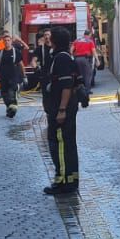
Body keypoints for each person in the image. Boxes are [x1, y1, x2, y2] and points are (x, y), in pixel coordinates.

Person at [43, 25, 81, 196]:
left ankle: (63, 181)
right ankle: (70, 180)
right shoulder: (65, 57)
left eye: (50, 37)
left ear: (54, 41)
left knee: (60, 145)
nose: (47, 39)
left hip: (61, 110)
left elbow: (66, 86)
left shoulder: (61, 59)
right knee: (68, 144)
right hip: (64, 109)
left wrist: (61, 110)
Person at [0, 32, 26, 118]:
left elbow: (21, 64)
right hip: (3, 77)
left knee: (11, 94)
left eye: (8, 40)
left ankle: (13, 110)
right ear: (3, 42)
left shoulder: (16, 52)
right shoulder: (0, 53)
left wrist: (24, 76)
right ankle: (9, 108)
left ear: (11, 41)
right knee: (5, 95)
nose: (6, 42)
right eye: (5, 40)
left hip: (13, 77)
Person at [71, 31, 96, 102]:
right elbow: (93, 51)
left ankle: (79, 90)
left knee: (79, 75)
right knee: (88, 75)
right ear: (89, 34)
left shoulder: (77, 40)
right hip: (85, 59)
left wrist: (72, 57)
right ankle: (87, 91)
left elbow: (71, 50)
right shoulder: (90, 41)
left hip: (76, 59)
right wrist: (97, 60)